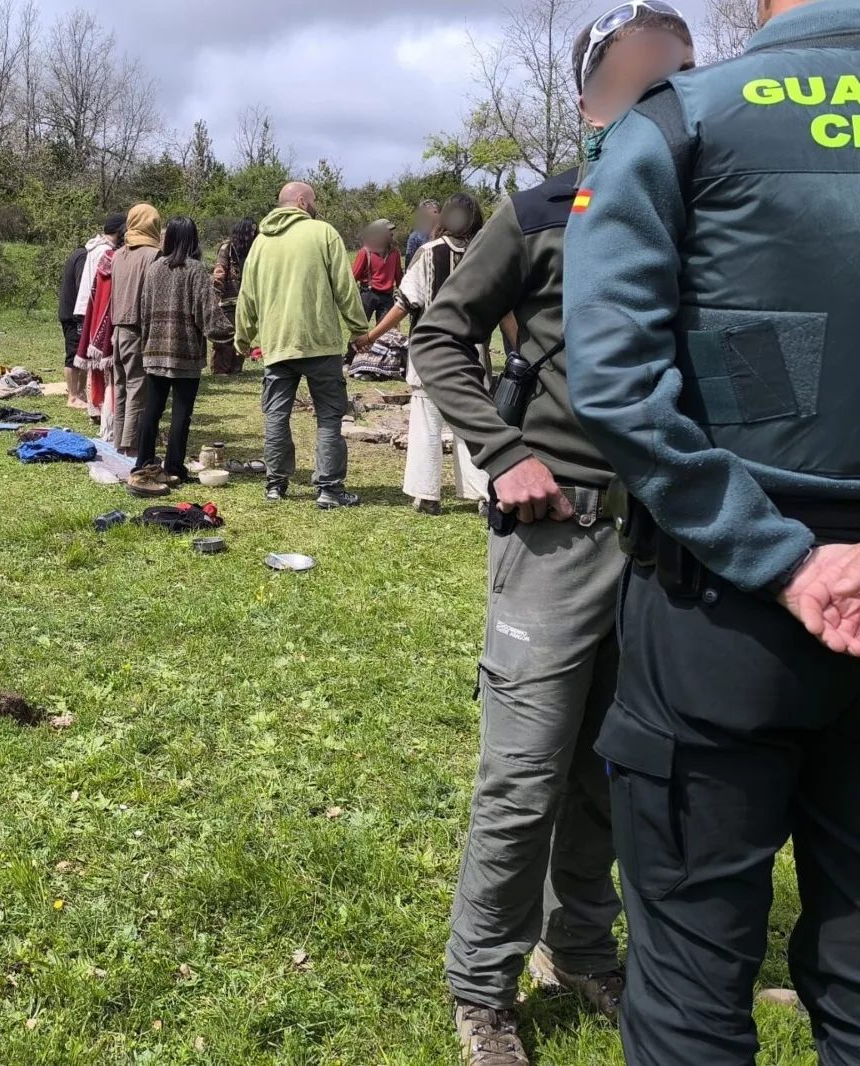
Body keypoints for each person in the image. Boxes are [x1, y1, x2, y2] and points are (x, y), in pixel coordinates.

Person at [565, 0, 860, 1062]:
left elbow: (612, 379)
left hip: (722, 607)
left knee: (690, 974)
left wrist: (780, 558)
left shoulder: (681, 121)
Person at [406, 5, 695, 1062]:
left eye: (678, 79)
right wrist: (501, 448)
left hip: (666, 540)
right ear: (587, 103)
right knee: (523, 773)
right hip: (554, 531)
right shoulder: (537, 212)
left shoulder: (700, 207)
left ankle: (579, 949)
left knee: (612, 769)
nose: (662, 99)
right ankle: (479, 987)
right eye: (637, 82)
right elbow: (439, 336)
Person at [235, 182, 369, 509]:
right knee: (328, 416)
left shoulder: (261, 244)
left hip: (277, 344)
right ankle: (329, 489)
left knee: (276, 416)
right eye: (314, 201)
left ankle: (276, 485)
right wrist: (358, 328)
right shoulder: (322, 232)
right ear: (300, 202)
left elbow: (246, 296)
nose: (316, 206)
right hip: (320, 343)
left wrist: (242, 338)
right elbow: (344, 286)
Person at [362, 194, 490, 515]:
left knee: (426, 425)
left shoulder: (429, 253)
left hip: (431, 353)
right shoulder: (486, 255)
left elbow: (405, 304)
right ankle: (483, 496)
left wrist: (370, 336)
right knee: (472, 425)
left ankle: (428, 496)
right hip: (472, 355)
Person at [126, 217, 233, 498]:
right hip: (184, 351)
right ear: (193, 239)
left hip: (154, 350)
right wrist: (230, 336)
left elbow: (143, 311)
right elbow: (207, 313)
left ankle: (144, 462)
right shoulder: (195, 270)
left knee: (153, 409)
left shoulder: (154, 269)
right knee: (181, 414)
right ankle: (174, 466)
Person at [108, 203, 163, 457]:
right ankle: (132, 445)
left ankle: (120, 438)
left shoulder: (119, 254)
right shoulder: (153, 255)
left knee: (121, 386)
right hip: (139, 329)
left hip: (118, 328)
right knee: (138, 388)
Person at [61, 214, 127, 409]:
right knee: (74, 353)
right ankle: (73, 396)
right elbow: (89, 283)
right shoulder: (101, 252)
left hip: (78, 308)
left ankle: (80, 393)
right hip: (78, 311)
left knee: (80, 354)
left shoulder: (92, 248)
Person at [209, 218, 257, 374]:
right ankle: (220, 369)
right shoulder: (227, 248)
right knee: (226, 335)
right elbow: (220, 270)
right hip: (229, 299)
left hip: (246, 299)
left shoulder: (253, 251)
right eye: (249, 231)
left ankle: (237, 367)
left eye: (254, 231)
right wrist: (216, 294)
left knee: (242, 335)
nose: (252, 234)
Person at [352, 219, 403, 327]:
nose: (391, 234)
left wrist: (403, 292)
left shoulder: (395, 253)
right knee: (360, 328)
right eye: (388, 231)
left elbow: (398, 274)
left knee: (385, 332)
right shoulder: (365, 252)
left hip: (387, 296)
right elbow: (353, 276)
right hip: (368, 294)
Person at [406, 199, 440, 264]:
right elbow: (409, 262)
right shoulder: (415, 237)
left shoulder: (444, 233)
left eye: (436, 212)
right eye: (434, 212)